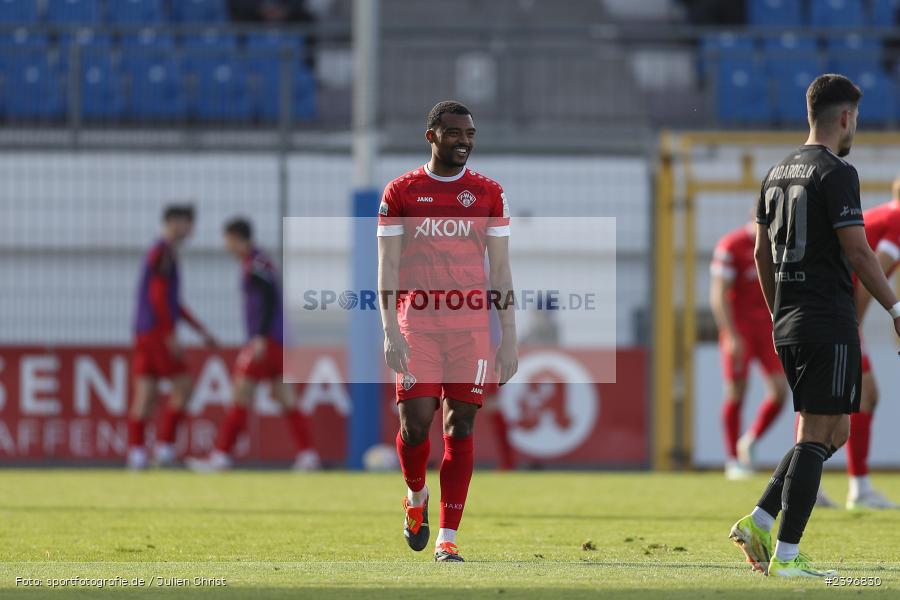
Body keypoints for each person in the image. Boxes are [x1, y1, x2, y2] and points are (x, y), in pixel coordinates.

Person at [728, 74, 900, 577]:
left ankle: (760, 517)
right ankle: (785, 555)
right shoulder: (837, 171)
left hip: (792, 319)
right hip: (828, 318)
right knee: (818, 433)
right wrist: (894, 309)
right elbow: (857, 250)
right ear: (845, 117)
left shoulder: (776, 172)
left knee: (832, 430)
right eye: (856, 119)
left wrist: (779, 308)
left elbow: (762, 251)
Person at [377, 100, 518, 562]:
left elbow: (500, 272)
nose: (465, 141)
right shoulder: (401, 191)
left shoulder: (488, 193)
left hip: (470, 330)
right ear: (432, 136)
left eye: (470, 134)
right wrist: (389, 329)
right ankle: (416, 498)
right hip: (416, 322)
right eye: (455, 133)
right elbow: (388, 266)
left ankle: (448, 537)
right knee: (415, 425)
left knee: (461, 423)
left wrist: (509, 337)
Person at [186, 218, 320, 472]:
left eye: (227, 240)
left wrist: (259, 336)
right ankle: (308, 455)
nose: (225, 246)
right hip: (277, 341)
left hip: (265, 342)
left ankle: (221, 456)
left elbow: (269, 296)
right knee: (285, 398)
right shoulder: (260, 261)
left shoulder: (255, 264)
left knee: (240, 395)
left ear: (236, 238)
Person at [128, 204, 217, 470]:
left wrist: (200, 330)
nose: (192, 229)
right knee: (184, 388)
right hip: (157, 332)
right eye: (189, 223)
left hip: (144, 331)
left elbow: (172, 302)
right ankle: (164, 450)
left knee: (145, 394)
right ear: (174, 222)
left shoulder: (159, 252)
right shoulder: (164, 253)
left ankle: (137, 456)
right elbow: (159, 297)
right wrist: (170, 334)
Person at [710, 222, 787, 480]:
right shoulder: (732, 245)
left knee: (780, 391)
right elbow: (718, 294)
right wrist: (730, 335)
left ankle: (750, 439)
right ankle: (733, 460)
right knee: (736, 391)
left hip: (768, 328)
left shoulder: (781, 245)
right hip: (740, 328)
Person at [844, 179, 900, 509]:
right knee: (852, 398)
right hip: (840, 311)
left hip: (836, 306)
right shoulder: (898, 221)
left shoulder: (887, 214)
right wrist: (853, 327)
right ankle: (856, 488)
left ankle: (857, 487)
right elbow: (873, 269)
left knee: (859, 397)